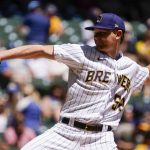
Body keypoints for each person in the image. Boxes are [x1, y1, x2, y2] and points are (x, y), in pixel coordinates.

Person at [0, 13, 150, 150]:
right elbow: (41, 50)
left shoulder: (131, 68)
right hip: (65, 131)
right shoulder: (81, 52)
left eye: (102, 33)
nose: (97, 37)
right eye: (96, 33)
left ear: (118, 34)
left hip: (101, 139)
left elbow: (147, 74)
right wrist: (4, 54)